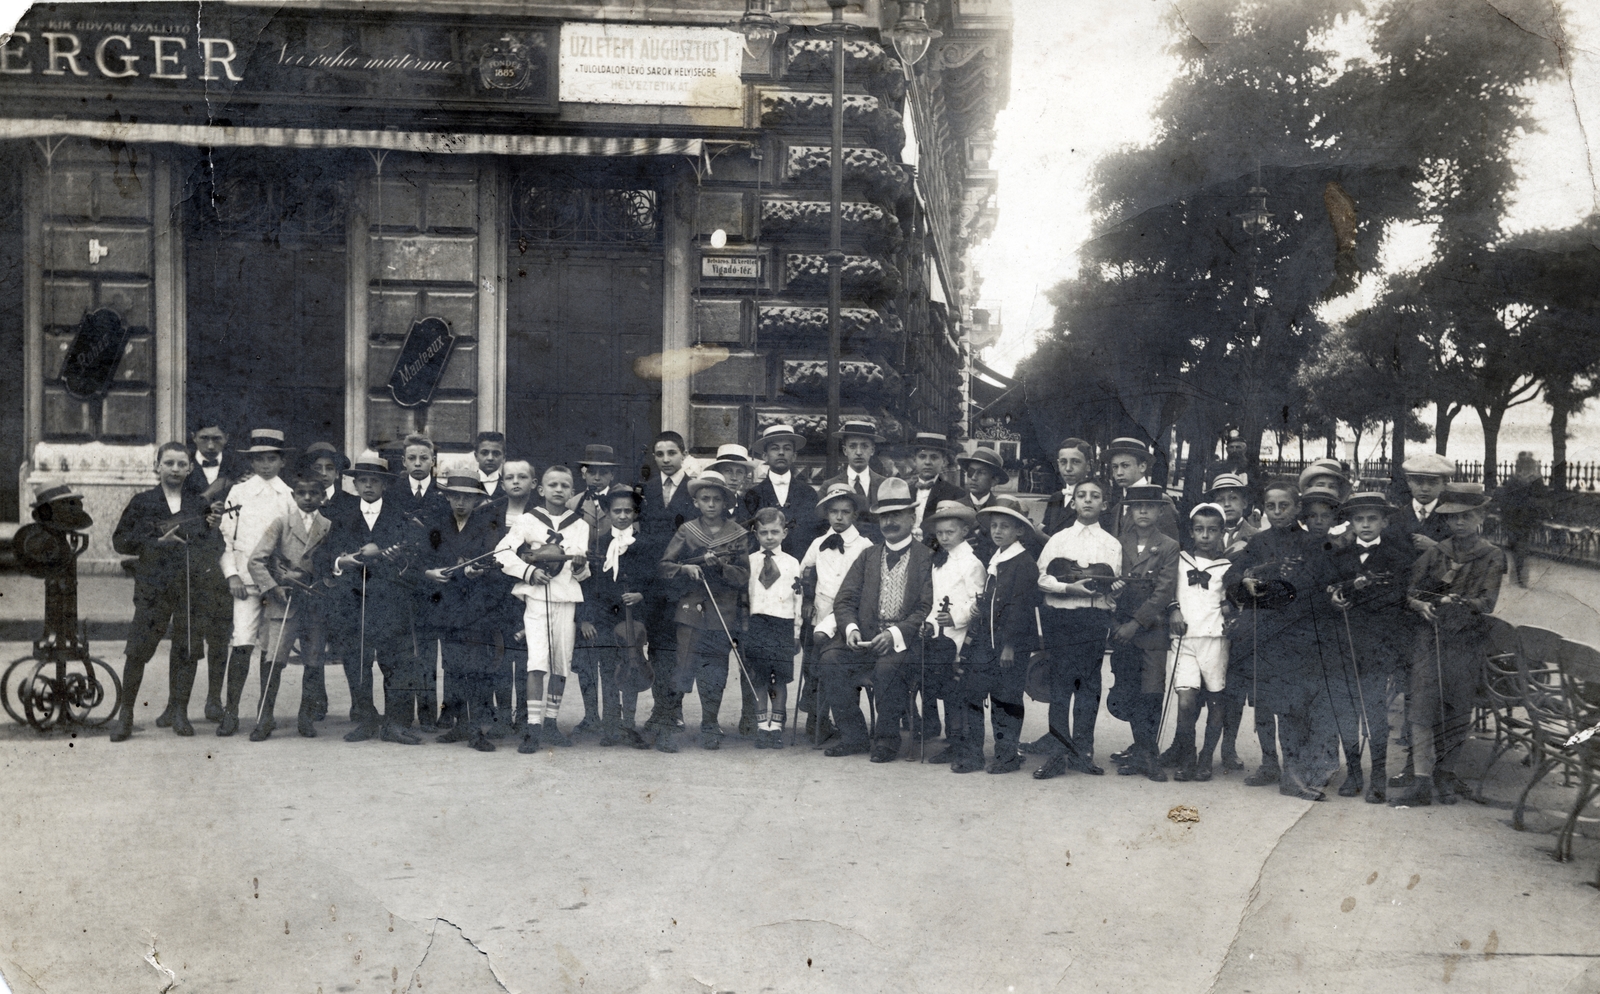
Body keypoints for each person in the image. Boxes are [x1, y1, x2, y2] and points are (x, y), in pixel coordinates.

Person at [1223, 482, 1336, 801]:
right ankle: (1269, 764)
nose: (1276, 512)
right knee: (1262, 705)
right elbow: (1229, 578)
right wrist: (1244, 581)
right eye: (1270, 506)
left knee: (1291, 707)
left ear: (1297, 508)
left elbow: (1321, 586)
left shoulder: (1312, 542)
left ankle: (1292, 773)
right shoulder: (1257, 541)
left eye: (1283, 506)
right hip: (1259, 634)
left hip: (1295, 635)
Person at [1394, 483, 1506, 806]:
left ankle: (1446, 774)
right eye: (1453, 517)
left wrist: (1462, 602)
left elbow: (1488, 602)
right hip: (1430, 638)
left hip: (1466, 641)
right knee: (1422, 707)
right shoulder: (1436, 552)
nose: (1459, 523)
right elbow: (1411, 592)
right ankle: (1421, 779)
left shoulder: (1491, 556)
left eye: (1467, 516)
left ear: (1481, 516)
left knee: (1456, 708)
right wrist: (1422, 605)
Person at [109, 443, 228, 741]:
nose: (175, 469)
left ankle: (179, 712)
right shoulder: (143, 501)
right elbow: (120, 541)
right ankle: (126, 715)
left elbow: (216, 549)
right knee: (138, 650)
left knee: (186, 650)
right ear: (158, 466)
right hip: (154, 587)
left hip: (190, 586)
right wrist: (155, 542)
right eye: (169, 463)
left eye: (181, 464)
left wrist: (213, 528)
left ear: (190, 468)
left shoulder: (199, 504)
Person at [820, 478, 935, 762]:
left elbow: (926, 606)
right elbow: (844, 600)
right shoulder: (868, 556)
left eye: (897, 515)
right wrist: (851, 628)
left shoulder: (927, 558)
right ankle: (854, 735)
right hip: (866, 640)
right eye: (885, 516)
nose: (890, 522)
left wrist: (896, 634)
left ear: (912, 517)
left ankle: (886, 739)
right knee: (830, 658)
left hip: (906, 645)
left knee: (888, 668)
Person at [325, 452, 425, 745]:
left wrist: (394, 561)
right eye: (363, 481)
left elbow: (416, 556)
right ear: (354, 485)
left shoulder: (401, 516)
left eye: (375, 481)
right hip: (352, 601)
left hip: (390, 600)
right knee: (357, 661)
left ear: (385, 485)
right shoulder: (340, 516)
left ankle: (395, 723)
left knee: (395, 661)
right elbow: (324, 555)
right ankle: (366, 718)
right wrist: (342, 562)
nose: (368, 486)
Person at [495, 464, 592, 753]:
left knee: (561, 663)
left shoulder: (581, 524)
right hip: (537, 598)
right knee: (537, 661)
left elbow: (583, 573)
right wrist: (528, 572)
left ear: (572, 492)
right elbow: (502, 553)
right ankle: (533, 727)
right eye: (553, 485)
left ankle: (551, 722)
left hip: (566, 598)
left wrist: (579, 566)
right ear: (541, 489)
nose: (558, 490)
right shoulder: (527, 520)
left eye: (565, 485)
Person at [1328, 492, 1417, 803]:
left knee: (1376, 711)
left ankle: (1378, 774)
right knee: (1346, 710)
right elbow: (1330, 589)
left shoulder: (1399, 557)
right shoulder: (1339, 557)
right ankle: (1354, 772)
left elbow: (1401, 601)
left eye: (1372, 519)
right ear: (1351, 523)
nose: (1365, 525)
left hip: (1378, 646)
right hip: (1346, 644)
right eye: (1359, 519)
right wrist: (1335, 596)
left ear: (1384, 521)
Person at [1031, 479, 1123, 777]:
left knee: (1088, 687)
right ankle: (1058, 752)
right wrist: (1069, 588)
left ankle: (1083, 752)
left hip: (1093, 621)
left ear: (1104, 504)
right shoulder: (1058, 539)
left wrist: (1116, 591)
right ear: (1073, 502)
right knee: (1060, 686)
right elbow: (1041, 579)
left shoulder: (1112, 544)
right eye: (1081, 495)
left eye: (1095, 496)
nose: (1087, 500)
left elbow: (1113, 588)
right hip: (1061, 620)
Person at [657, 470, 753, 752]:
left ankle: (709, 724)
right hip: (691, 607)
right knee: (684, 662)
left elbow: (743, 574)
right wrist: (685, 568)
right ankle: (667, 724)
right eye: (705, 499)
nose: (711, 504)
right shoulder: (686, 530)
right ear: (696, 502)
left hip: (723, 609)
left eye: (716, 499)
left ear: (726, 503)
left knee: (715, 668)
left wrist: (721, 567)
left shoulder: (738, 534)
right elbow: (664, 566)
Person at [951, 497, 1042, 774]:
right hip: (986, 643)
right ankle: (973, 754)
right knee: (972, 691)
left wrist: (1010, 646)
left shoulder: (1023, 563)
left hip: (1009, 646)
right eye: (994, 526)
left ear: (1019, 532)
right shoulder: (997, 559)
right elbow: (995, 602)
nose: (998, 531)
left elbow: (1020, 607)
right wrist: (981, 607)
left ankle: (1007, 756)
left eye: (1005, 526)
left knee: (1007, 699)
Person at [217, 428, 297, 737]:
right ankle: (231, 712)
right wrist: (231, 574)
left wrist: (285, 578)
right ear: (251, 461)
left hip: (276, 586)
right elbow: (226, 538)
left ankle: (266, 714)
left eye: (271, 459)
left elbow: (291, 544)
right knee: (241, 643)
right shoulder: (239, 493)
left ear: (282, 461)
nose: (265, 465)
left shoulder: (288, 496)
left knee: (272, 650)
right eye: (259, 459)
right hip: (245, 585)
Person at [246, 471, 333, 741]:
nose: (307, 498)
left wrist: (324, 584)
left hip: (315, 603)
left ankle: (305, 718)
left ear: (323, 496)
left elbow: (333, 565)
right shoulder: (281, 523)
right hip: (285, 605)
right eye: (302, 493)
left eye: (314, 493)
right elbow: (256, 561)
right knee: (274, 661)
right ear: (294, 496)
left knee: (313, 661)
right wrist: (273, 587)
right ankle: (265, 718)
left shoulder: (330, 526)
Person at [419, 477, 500, 751]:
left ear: (477, 500)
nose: (461, 502)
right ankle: (459, 725)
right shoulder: (438, 526)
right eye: (455, 496)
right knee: (452, 667)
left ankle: (477, 730)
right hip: (446, 608)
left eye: (467, 497)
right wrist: (430, 572)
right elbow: (424, 560)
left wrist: (475, 571)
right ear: (447, 497)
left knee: (476, 668)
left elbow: (493, 563)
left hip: (476, 609)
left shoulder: (488, 526)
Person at [1107, 484, 1180, 782]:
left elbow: (1163, 592)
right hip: (1120, 630)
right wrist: (1116, 626)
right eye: (1137, 507)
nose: (1143, 512)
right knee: (1129, 689)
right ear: (1129, 511)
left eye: (1150, 506)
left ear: (1160, 510)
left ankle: (1149, 757)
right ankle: (1140, 750)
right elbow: (1106, 585)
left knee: (1151, 691)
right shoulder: (1116, 543)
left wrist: (1135, 624)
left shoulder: (1168, 546)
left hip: (1150, 632)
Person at [797, 482, 875, 742]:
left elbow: (870, 584)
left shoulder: (865, 545)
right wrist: (807, 599)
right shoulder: (819, 543)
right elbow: (803, 573)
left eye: (845, 512)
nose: (839, 517)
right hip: (819, 614)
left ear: (854, 514)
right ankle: (816, 721)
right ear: (827, 514)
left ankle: (847, 723)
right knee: (815, 666)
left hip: (849, 618)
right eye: (834, 512)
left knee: (843, 669)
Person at [578, 484, 651, 748]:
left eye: (628, 511)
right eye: (617, 511)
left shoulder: (644, 544)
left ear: (635, 513)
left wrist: (641, 594)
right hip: (604, 617)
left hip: (633, 618)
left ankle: (629, 725)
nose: (622, 516)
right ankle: (611, 725)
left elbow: (654, 579)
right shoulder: (599, 543)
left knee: (631, 665)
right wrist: (585, 618)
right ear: (607, 512)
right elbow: (587, 584)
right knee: (608, 670)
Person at [1167, 503, 1234, 782]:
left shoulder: (1228, 567)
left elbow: (1232, 598)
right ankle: (1188, 756)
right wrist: (1174, 609)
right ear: (1191, 532)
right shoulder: (1179, 560)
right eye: (1199, 530)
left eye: (1212, 530)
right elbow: (1169, 589)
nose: (1205, 535)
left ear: (1221, 533)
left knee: (1216, 701)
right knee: (1185, 702)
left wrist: (1231, 607)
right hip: (1183, 640)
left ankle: (1207, 757)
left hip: (1214, 640)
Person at [638, 431, 696, 742]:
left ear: (683, 454)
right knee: (658, 649)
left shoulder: (695, 491)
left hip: (685, 584)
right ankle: (661, 707)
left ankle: (674, 708)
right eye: (659, 454)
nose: (665, 460)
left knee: (680, 649)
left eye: (671, 453)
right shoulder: (645, 492)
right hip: (653, 585)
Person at [921, 501, 987, 761]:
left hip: (960, 635)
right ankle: (949, 734)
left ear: (964, 531)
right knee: (942, 684)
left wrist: (956, 618)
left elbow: (978, 602)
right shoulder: (940, 561)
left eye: (950, 532)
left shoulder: (971, 563)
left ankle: (959, 740)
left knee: (956, 689)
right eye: (940, 533)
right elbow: (935, 598)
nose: (944, 538)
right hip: (939, 633)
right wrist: (929, 620)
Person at [484, 459, 537, 734]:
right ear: (501, 483)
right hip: (496, 594)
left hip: (531, 592)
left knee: (529, 655)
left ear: (533, 483)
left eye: (522, 477)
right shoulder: (489, 513)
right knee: (501, 656)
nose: (516, 482)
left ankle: (527, 714)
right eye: (509, 477)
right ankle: (503, 715)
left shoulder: (540, 513)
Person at [744, 507, 803, 748]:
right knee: (759, 678)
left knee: (779, 679)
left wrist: (797, 631)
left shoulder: (792, 563)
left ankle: (776, 726)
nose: (769, 537)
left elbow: (798, 598)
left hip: (783, 624)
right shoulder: (750, 561)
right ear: (756, 534)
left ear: (785, 533)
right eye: (764, 532)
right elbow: (746, 596)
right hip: (757, 623)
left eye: (775, 532)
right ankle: (761, 727)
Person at [749, 424, 818, 557]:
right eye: (775, 448)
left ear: (794, 456)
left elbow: (815, 531)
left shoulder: (808, 493)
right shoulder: (753, 494)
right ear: (765, 456)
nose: (781, 452)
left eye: (787, 448)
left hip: (800, 563)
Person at [1104, 437, 1179, 539]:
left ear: (1142, 466)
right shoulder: (1117, 508)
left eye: (1125, 465)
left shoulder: (1160, 501)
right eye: (1115, 467)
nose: (1119, 473)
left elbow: (1170, 546)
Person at [1494, 451, 1547, 587]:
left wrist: (1534, 511)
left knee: (1521, 548)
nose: (1524, 466)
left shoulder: (1536, 479)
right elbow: (1505, 498)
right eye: (1522, 463)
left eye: (1527, 463)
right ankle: (1517, 576)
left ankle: (1521, 578)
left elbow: (1541, 499)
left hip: (1526, 518)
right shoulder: (1513, 479)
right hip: (1512, 518)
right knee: (1514, 547)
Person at [905, 432, 965, 541]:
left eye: (934, 457)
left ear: (944, 461)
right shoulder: (904, 491)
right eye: (922, 457)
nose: (927, 462)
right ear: (915, 460)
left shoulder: (955, 494)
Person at [1390, 453, 1454, 553]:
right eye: (1418, 482)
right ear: (1409, 482)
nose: (1424, 489)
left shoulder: (1451, 518)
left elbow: (1461, 554)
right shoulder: (1394, 518)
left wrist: (1436, 547)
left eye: (1432, 483)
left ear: (1444, 485)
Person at [1041, 438, 1095, 536]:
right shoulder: (1056, 498)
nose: (1068, 468)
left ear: (1088, 466)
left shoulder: (1094, 498)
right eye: (1063, 462)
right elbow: (1046, 530)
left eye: (1075, 462)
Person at [183, 419, 246, 499]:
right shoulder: (182, 464)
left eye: (216, 439)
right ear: (193, 437)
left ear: (226, 438)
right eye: (204, 438)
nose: (211, 446)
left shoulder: (239, 465)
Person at [570, 444, 621, 534]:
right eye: (592, 472)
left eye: (603, 473)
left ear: (612, 475)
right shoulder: (573, 503)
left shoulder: (622, 502)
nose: (597, 478)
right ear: (583, 474)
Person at [1208, 473, 1260, 555]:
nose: (1227, 504)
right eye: (1220, 500)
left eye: (1233, 498)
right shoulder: (1206, 536)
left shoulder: (1257, 536)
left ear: (1244, 503)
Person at [474, 431, 507, 497]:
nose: (490, 458)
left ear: (503, 458)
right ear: (476, 456)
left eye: (496, 453)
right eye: (484, 453)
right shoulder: (468, 484)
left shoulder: (508, 486)